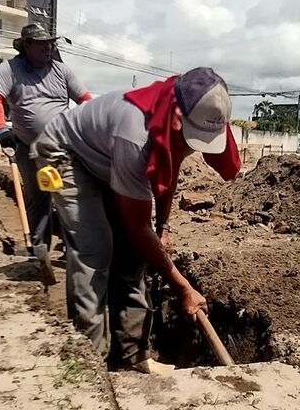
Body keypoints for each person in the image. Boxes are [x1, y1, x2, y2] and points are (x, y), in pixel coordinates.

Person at [32, 67, 240, 374]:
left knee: (132, 256)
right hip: (68, 154)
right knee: (95, 251)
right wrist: (183, 288)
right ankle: (90, 364)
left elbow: (167, 174)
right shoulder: (136, 134)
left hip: (108, 160)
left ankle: (131, 356)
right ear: (177, 117)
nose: (191, 148)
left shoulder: (181, 118)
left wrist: (164, 227)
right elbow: (137, 227)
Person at [0, 23, 92, 249]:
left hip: (62, 148)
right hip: (27, 147)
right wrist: (0, 129)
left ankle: (72, 247)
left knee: (68, 197)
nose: (48, 48)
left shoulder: (62, 71)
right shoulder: (10, 69)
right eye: (42, 44)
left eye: (50, 43)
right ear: (27, 46)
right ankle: (39, 248)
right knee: (37, 198)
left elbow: (85, 100)